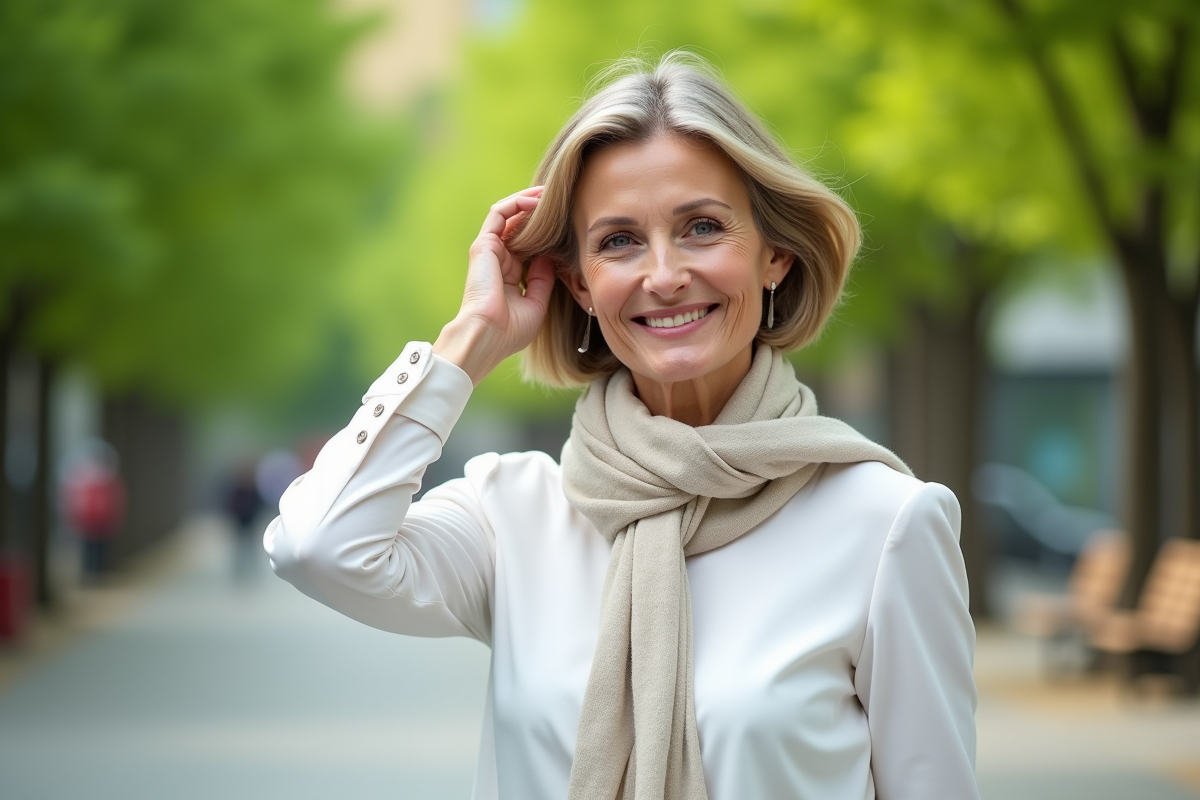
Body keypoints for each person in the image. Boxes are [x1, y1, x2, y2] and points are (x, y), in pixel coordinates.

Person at [265, 51, 979, 800]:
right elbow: (318, 547)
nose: (663, 274)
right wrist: (470, 339)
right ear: (578, 284)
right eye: (618, 241)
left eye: (702, 227)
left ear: (776, 257)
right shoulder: (514, 516)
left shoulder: (885, 525)